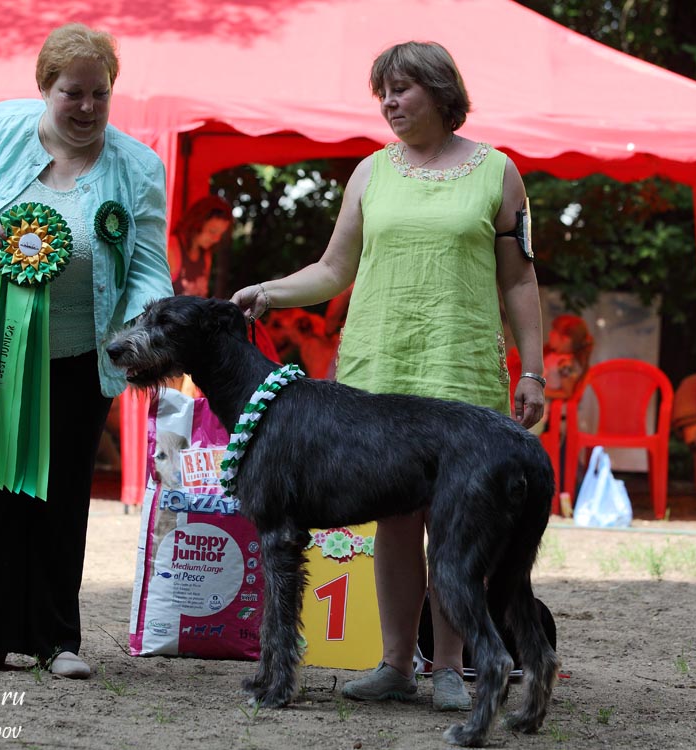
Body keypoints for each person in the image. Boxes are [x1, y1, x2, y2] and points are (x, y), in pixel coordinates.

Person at [232, 41, 545, 711]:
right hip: (380, 365)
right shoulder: (370, 172)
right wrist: (269, 290)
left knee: (456, 522)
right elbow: (332, 270)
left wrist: (535, 370)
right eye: (383, 92)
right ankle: (396, 664)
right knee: (394, 520)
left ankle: (451, 670)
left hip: (460, 361)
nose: (390, 103)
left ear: (439, 91)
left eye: (402, 89)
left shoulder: (499, 173)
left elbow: (520, 277)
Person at [0, 23, 172, 679]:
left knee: (63, 489)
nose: (87, 107)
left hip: (79, 351)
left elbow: (147, 264)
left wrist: (146, 322)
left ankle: (58, 641)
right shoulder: (0, 128)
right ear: (44, 89)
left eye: (99, 94)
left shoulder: (138, 166)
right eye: (72, 94)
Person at [167, 195, 233, 297]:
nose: (217, 239)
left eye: (221, 234)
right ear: (196, 222)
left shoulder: (205, 254)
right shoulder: (171, 247)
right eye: (212, 231)